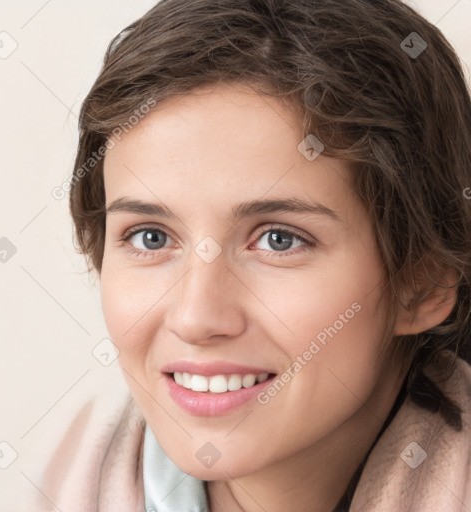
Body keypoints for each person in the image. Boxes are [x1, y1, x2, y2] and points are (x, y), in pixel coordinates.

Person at [38, 0, 471, 510]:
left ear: (423, 282)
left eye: (278, 240)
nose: (197, 318)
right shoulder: (65, 481)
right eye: (151, 237)